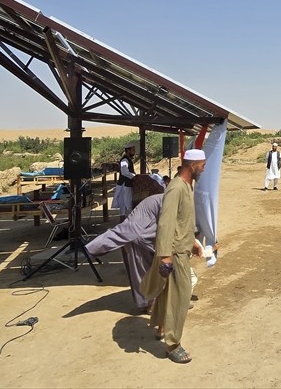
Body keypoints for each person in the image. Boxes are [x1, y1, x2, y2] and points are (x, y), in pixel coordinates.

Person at [144, 148, 206, 363]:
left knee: (166, 293)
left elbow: (183, 222)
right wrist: (165, 256)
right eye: (202, 165)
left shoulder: (188, 186)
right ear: (192, 166)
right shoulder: (176, 188)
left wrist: (194, 243)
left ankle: (161, 327)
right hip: (174, 253)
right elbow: (166, 223)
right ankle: (173, 345)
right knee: (180, 297)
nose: (204, 169)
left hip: (182, 249)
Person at [86, 175, 166, 314]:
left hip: (134, 235)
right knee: (148, 271)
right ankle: (152, 304)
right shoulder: (167, 201)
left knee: (141, 272)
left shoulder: (157, 199)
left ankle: (152, 302)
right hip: (139, 237)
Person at [112, 143, 137, 217]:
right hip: (124, 185)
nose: (134, 152)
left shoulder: (128, 159)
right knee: (124, 206)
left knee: (127, 205)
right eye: (133, 150)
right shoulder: (124, 160)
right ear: (128, 150)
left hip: (127, 185)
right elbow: (124, 171)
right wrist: (134, 176)